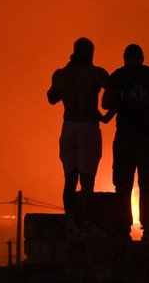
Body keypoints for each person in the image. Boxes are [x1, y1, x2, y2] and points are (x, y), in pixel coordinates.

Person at [102, 44, 149, 241]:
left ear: (125, 58)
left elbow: (105, 103)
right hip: (146, 138)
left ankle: (123, 229)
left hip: (125, 138)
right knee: (147, 185)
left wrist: (123, 102)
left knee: (123, 186)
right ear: (141, 57)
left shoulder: (118, 76)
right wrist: (147, 103)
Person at [47, 37, 110, 214]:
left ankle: (71, 223)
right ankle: (87, 224)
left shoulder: (61, 74)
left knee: (70, 179)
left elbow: (52, 98)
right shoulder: (97, 73)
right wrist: (106, 116)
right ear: (91, 53)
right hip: (88, 127)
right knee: (87, 180)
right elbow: (114, 94)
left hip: (68, 127)